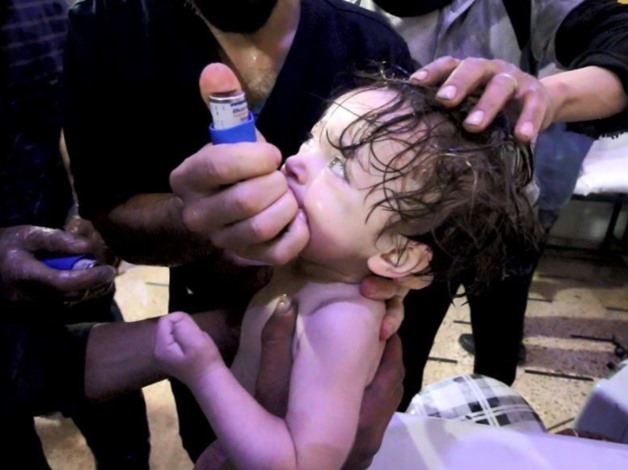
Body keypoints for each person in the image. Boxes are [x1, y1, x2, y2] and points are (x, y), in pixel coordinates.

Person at [153, 70, 538, 469]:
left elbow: (302, 464)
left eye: (338, 167)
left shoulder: (339, 320)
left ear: (396, 255)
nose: (296, 162)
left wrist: (203, 370)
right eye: (311, 139)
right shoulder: (310, 265)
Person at [348, 0, 628, 407]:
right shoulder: (354, 18)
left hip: (506, 217)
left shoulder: (520, 6)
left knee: (498, 351)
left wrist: (546, 96)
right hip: (409, 227)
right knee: (400, 358)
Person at [1, 0, 151, 467]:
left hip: (72, 272)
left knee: (125, 443)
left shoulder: (45, 11)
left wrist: (101, 208)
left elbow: (80, 115)